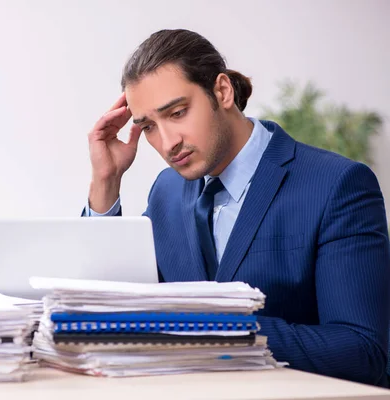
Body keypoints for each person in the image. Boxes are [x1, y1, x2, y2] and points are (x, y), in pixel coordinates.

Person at [82, 29, 390, 387]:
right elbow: (108, 315)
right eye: (149, 126)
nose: (167, 143)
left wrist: (219, 326)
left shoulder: (337, 185)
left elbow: (363, 351)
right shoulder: (166, 191)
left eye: (178, 112)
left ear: (222, 92)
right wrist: (106, 181)